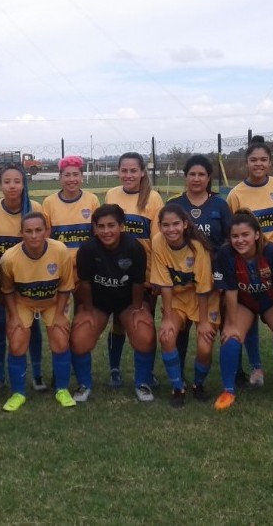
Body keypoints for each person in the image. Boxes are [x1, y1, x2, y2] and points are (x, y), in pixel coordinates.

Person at [212, 211, 273, 412]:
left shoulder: (271, 252)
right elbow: (230, 292)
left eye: (245, 235)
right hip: (245, 302)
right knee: (231, 338)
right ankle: (228, 391)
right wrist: (230, 324)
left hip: (271, 300)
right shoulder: (225, 254)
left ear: (257, 234)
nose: (240, 240)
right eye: (235, 236)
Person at [70, 204, 157, 403]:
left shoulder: (134, 248)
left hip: (127, 302)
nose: (106, 231)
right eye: (101, 226)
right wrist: (89, 311)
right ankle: (84, 384)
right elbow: (85, 283)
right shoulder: (87, 249)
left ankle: (142, 382)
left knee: (144, 331)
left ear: (122, 226)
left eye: (111, 225)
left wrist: (136, 309)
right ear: (95, 228)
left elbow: (137, 283)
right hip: (99, 303)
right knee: (79, 336)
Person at [226, 141, 273, 387]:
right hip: (248, 264)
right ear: (246, 163)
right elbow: (234, 232)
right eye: (254, 160)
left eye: (263, 159)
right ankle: (256, 368)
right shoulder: (236, 194)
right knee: (249, 313)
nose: (259, 164)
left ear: (270, 162)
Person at [0, 212, 75, 412]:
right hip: (23, 303)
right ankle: (18, 393)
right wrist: (14, 317)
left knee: (60, 338)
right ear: (21, 233)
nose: (34, 235)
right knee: (16, 342)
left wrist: (59, 315)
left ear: (47, 231)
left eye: (38, 230)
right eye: (29, 231)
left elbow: (65, 287)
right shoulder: (9, 258)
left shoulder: (60, 251)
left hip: (52, 302)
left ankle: (62, 389)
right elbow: (7, 290)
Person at [0, 163, 46, 393]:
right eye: (7, 182)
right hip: (2, 282)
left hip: (30, 280)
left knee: (32, 327)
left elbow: (44, 245)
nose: (12, 186)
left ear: (24, 184)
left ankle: (37, 374)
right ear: (0, 185)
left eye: (17, 181)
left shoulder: (34, 208)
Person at [167, 154, 232, 378]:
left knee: (218, 328)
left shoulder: (220, 205)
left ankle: (230, 372)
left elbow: (229, 242)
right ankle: (180, 376)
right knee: (180, 330)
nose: (196, 178)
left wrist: (223, 275)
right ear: (185, 177)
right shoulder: (174, 205)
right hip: (181, 279)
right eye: (192, 174)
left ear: (208, 177)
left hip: (214, 279)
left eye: (201, 174)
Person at [104, 152, 164, 387]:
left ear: (141, 172)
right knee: (118, 322)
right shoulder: (111, 194)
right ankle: (114, 369)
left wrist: (157, 275)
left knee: (144, 322)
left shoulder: (154, 198)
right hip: (115, 272)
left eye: (133, 171)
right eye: (124, 170)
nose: (128, 175)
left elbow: (158, 240)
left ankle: (147, 372)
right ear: (118, 172)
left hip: (144, 273)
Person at [150, 204, 218, 408]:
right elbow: (165, 283)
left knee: (205, 347)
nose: (171, 229)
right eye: (166, 225)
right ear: (160, 227)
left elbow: (204, 287)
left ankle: (198, 385)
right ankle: (177, 387)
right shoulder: (158, 242)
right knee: (167, 335)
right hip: (178, 300)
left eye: (176, 224)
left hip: (204, 300)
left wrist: (204, 321)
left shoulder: (197, 247)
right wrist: (168, 318)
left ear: (185, 224)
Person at [42, 155, 100, 304]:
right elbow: (46, 238)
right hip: (59, 268)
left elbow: (97, 235)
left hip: (84, 268)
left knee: (83, 312)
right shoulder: (49, 202)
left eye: (76, 174)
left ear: (82, 177)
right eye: (67, 175)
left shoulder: (92, 200)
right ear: (60, 177)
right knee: (61, 315)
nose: (71, 179)